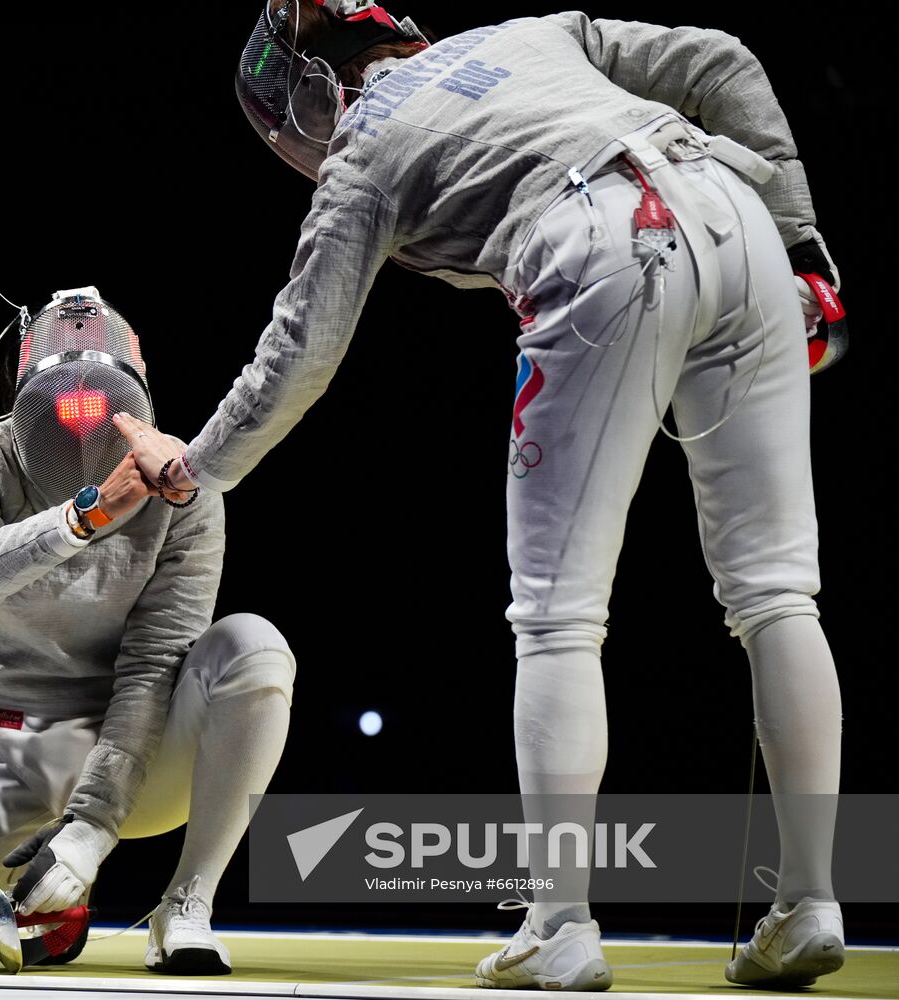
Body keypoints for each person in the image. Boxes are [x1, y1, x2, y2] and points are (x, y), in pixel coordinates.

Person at [113, 3, 846, 992]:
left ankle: (560, 926)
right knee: (776, 593)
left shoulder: (361, 148)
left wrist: (193, 468)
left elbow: (299, 353)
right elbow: (720, 59)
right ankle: (809, 903)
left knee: (556, 617)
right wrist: (799, 243)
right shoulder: (528, 32)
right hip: (735, 213)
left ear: (313, 95)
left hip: (599, 241)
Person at [0, 287, 296, 977]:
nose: (82, 420)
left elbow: (153, 663)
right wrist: (88, 514)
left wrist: (92, 827)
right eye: (61, 403)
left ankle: (185, 906)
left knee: (252, 646)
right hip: (3, 749)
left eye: (102, 399)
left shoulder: (183, 488)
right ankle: (38, 900)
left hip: (139, 760)